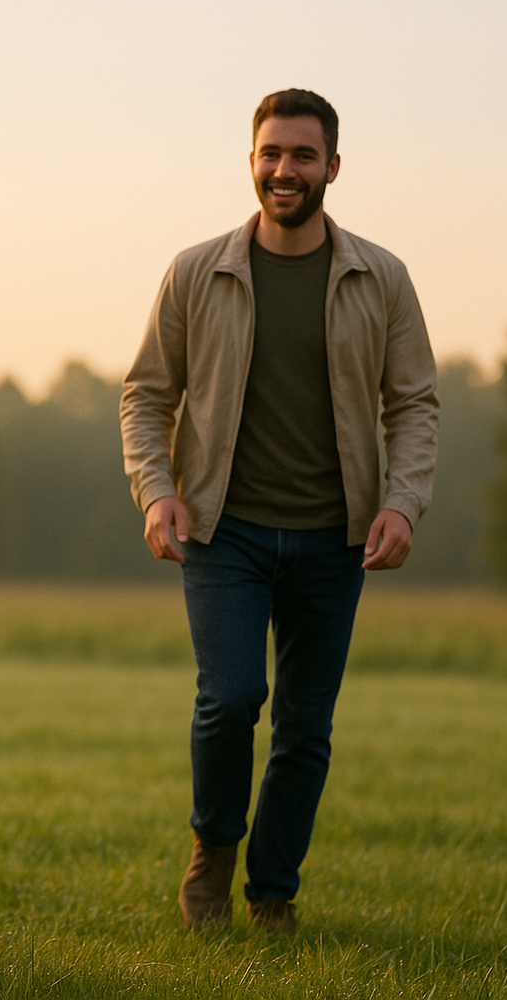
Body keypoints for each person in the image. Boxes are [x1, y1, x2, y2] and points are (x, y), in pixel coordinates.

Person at [119, 89, 438, 931]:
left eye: (302, 155)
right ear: (250, 161)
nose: (284, 170)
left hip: (338, 540)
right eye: (271, 153)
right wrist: (156, 491)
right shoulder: (198, 271)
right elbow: (147, 395)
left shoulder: (383, 277)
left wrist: (402, 506)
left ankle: (271, 894)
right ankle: (212, 854)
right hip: (224, 532)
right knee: (229, 698)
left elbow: (415, 404)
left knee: (306, 725)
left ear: (332, 167)